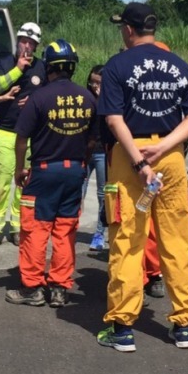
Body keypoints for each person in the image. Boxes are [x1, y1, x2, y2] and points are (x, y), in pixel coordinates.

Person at [96, 2, 188, 353]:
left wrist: (140, 163)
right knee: (177, 240)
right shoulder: (181, 66)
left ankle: (123, 327)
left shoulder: (116, 67)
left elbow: (114, 119)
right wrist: (166, 147)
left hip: (131, 158)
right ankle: (183, 323)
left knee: (128, 241)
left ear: (128, 30)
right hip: (171, 158)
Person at [6, 40, 96, 308]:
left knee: (36, 230)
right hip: (74, 171)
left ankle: (32, 287)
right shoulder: (88, 97)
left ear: (49, 68)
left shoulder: (39, 98)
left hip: (44, 172)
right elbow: (92, 140)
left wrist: (20, 168)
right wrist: (82, 163)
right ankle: (59, 288)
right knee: (65, 230)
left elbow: (21, 138)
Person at [0, 21, 45, 249]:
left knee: (25, 184)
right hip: (6, 132)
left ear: (37, 46)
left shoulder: (42, 67)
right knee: (1, 184)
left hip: (32, 136)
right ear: (17, 41)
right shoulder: (4, 63)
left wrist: (35, 102)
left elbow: (48, 94)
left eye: (31, 43)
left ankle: (19, 228)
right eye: (24, 41)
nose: (27, 46)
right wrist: (18, 69)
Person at [83, 65, 110, 254]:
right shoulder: (84, 97)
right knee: (78, 190)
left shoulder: (110, 99)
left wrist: (101, 98)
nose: (94, 86)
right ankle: (69, 227)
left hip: (101, 151)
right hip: (84, 151)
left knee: (102, 194)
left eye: (98, 82)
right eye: (92, 81)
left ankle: (99, 233)